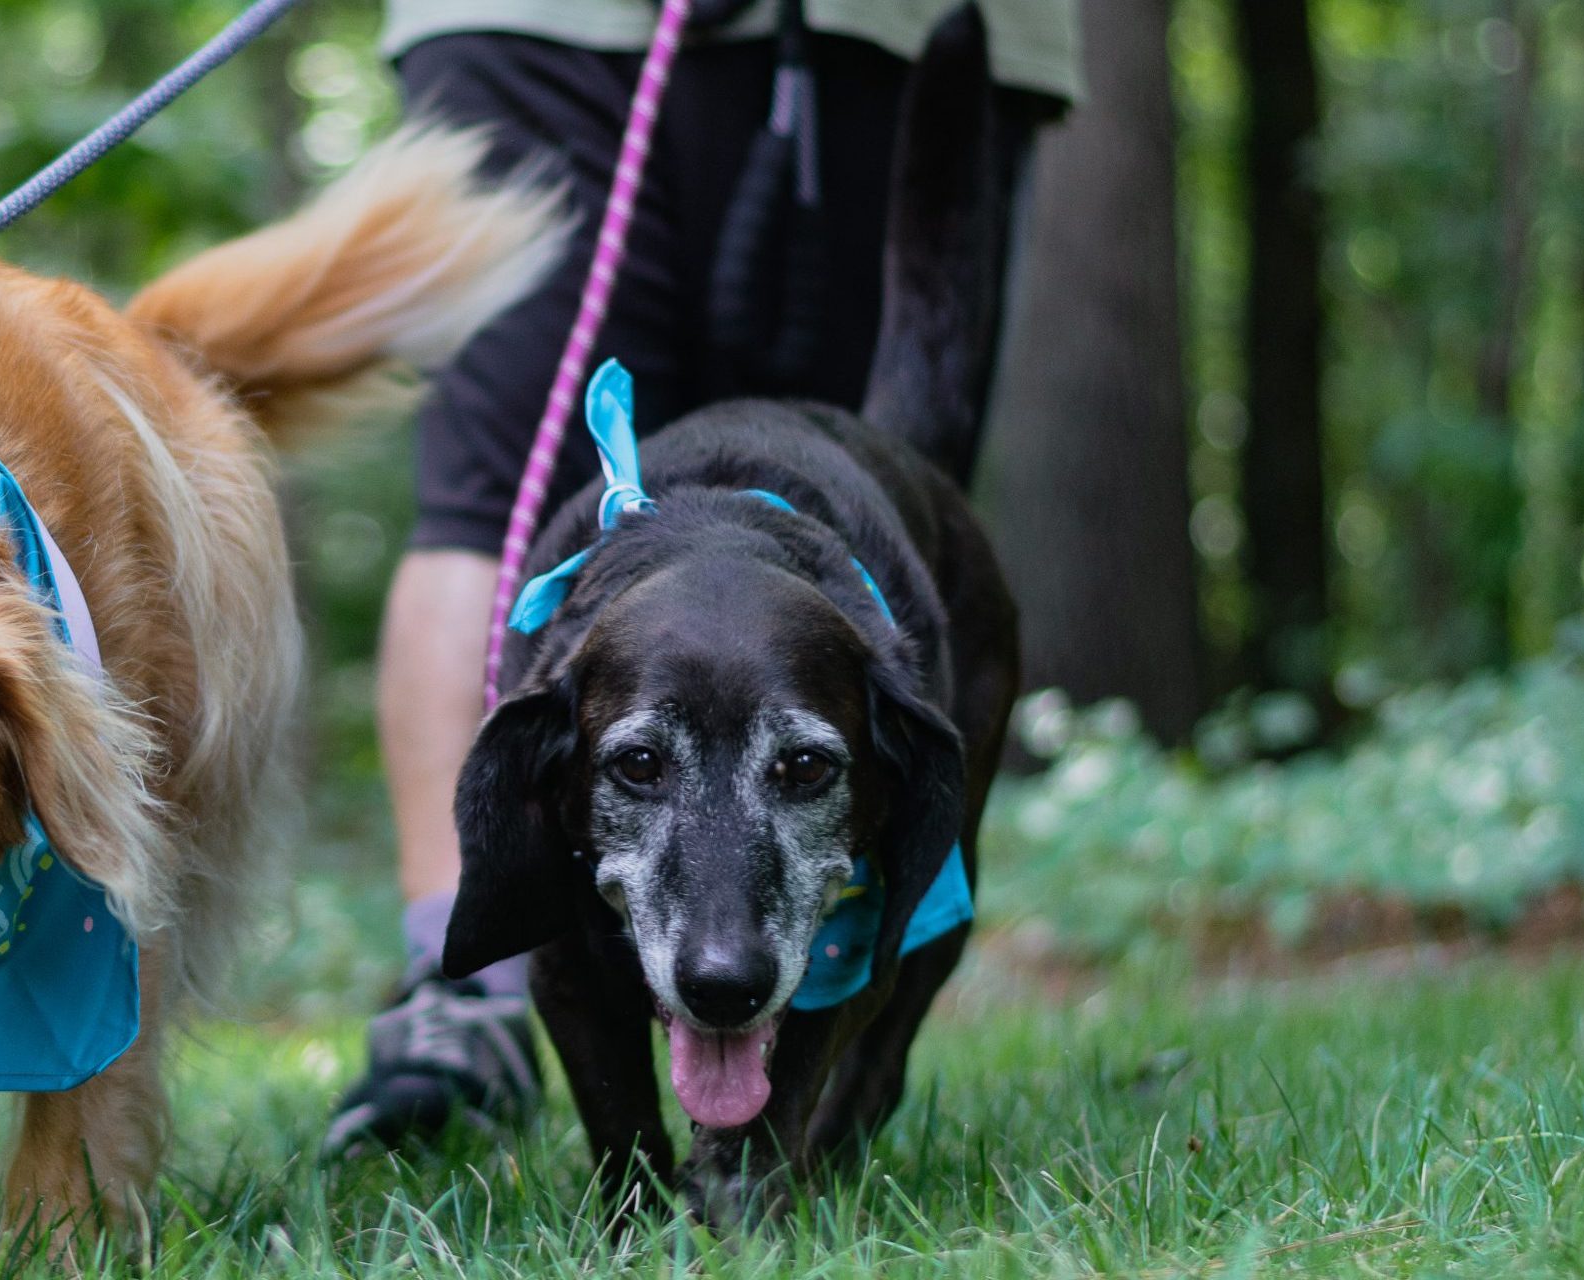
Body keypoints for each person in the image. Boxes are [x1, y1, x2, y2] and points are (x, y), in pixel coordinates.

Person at [326, 0, 1079, 1156]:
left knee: (811, 605)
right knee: (492, 504)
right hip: (544, 25)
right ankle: (461, 986)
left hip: (875, 22)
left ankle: (829, 1090)